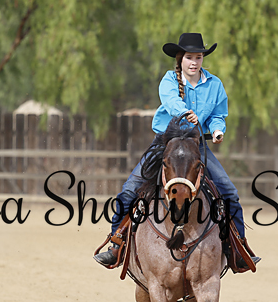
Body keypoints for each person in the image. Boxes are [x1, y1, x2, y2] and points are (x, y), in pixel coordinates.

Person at [94, 32, 259, 270]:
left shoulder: (214, 84)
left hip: (197, 145)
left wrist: (217, 130)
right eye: (190, 57)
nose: (194, 62)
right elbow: (171, 102)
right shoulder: (169, 80)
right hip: (166, 143)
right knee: (130, 189)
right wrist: (185, 113)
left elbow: (218, 114)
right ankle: (116, 244)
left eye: (199, 57)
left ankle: (238, 248)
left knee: (229, 192)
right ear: (181, 58)